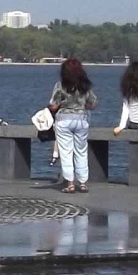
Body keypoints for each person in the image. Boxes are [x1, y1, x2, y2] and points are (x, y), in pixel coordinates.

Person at [45, 58, 98, 193]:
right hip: (81, 119)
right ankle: (83, 182)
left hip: (64, 120)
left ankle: (70, 183)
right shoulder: (85, 86)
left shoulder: (60, 85)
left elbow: (54, 105)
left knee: (66, 152)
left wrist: (50, 108)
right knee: (81, 151)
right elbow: (92, 104)